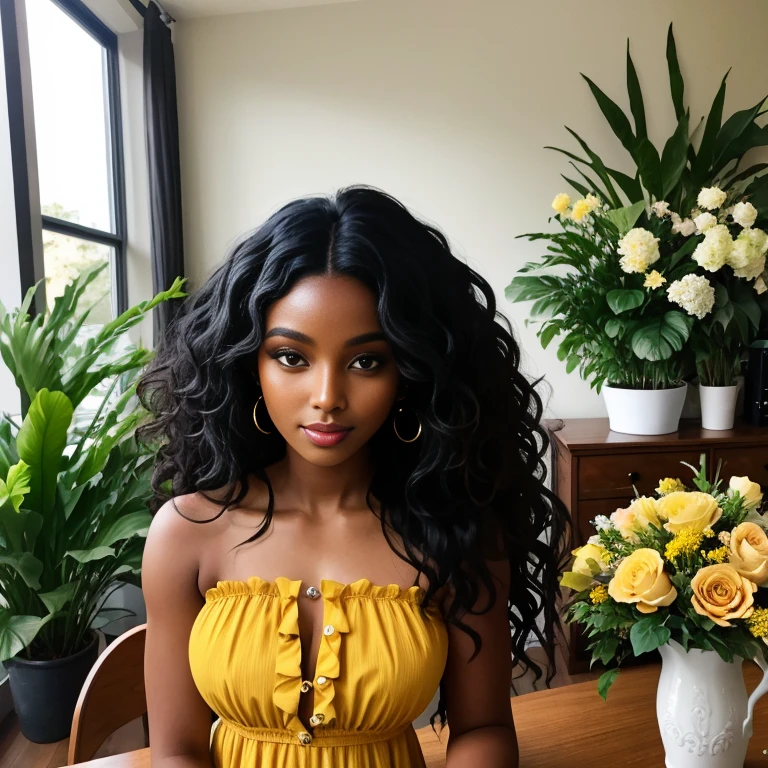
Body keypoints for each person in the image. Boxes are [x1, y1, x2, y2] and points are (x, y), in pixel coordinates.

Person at [137, 185, 571, 768]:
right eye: (292, 356)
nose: (327, 398)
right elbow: (176, 752)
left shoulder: (457, 534)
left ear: (412, 372)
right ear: (248, 363)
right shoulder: (187, 532)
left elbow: (484, 729)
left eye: (368, 361)